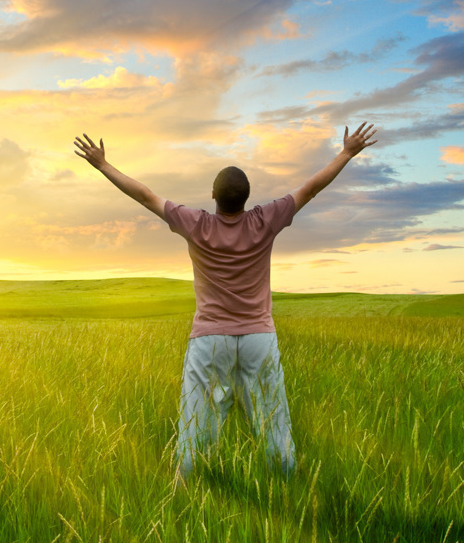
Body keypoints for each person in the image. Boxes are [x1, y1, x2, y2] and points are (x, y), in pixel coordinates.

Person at [73, 122, 378, 483]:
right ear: (247, 198)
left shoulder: (195, 223)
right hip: (258, 339)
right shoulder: (266, 220)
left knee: (196, 424)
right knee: (273, 422)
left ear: (213, 195)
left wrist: (103, 165)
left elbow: (145, 196)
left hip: (208, 340)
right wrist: (346, 152)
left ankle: (183, 492)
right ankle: (287, 489)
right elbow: (311, 189)